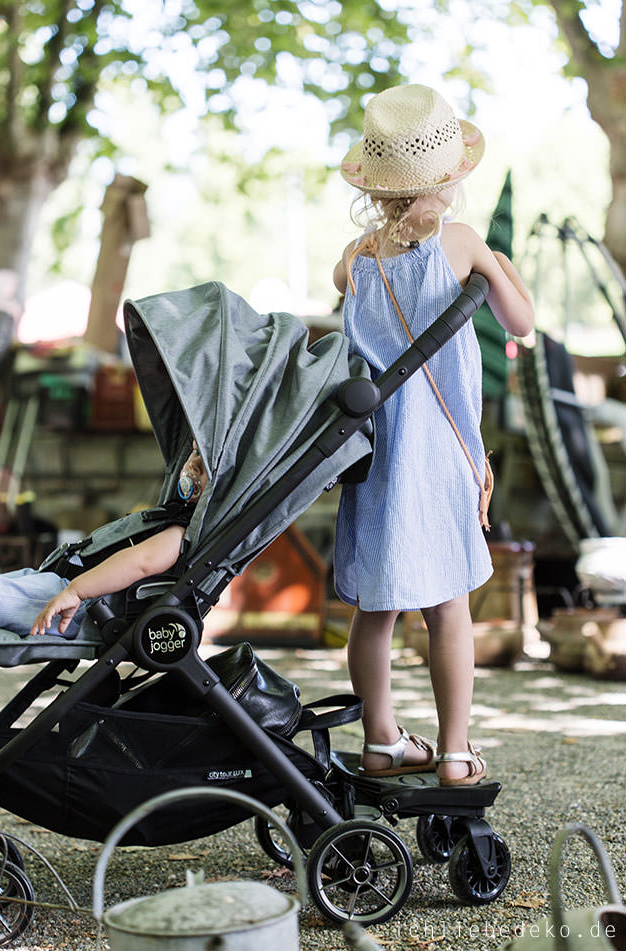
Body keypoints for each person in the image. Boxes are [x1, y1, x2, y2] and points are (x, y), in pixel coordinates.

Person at [332, 84, 534, 786]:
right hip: (439, 455)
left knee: (376, 607)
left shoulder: (358, 254)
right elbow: (520, 321)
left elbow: (340, 295)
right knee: (448, 606)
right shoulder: (462, 242)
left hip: (375, 454)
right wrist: (494, 264)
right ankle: (454, 749)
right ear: (450, 177)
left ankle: (382, 737)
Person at [0, 445, 207, 639]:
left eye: (205, 463)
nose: (194, 464)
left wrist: (76, 592)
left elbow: (141, 562)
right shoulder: (172, 516)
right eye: (195, 451)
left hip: (77, 604)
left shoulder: (179, 534)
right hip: (60, 583)